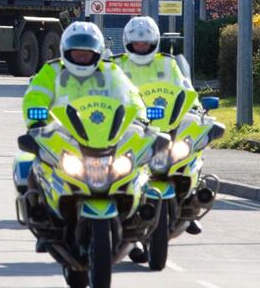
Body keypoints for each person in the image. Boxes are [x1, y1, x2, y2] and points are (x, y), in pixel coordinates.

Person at [21, 21, 146, 252]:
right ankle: (43, 223)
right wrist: (36, 121)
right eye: (76, 52)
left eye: (86, 53)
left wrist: (140, 119)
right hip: (63, 138)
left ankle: (135, 226)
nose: (80, 57)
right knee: (36, 169)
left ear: (97, 52)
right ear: (65, 51)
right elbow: (34, 97)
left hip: (106, 138)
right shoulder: (52, 70)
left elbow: (131, 96)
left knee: (137, 173)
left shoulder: (111, 72)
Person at [114, 15, 202, 237]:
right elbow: (108, 93)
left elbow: (185, 89)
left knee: (192, 152)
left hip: (167, 126)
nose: (141, 47)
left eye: (145, 43)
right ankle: (121, 214)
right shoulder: (117, 65)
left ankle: (189, 203)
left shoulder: (167, 63)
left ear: (154, 42)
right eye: (136, 43)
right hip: (132, 128)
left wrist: (196, 109)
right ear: (128, 42)